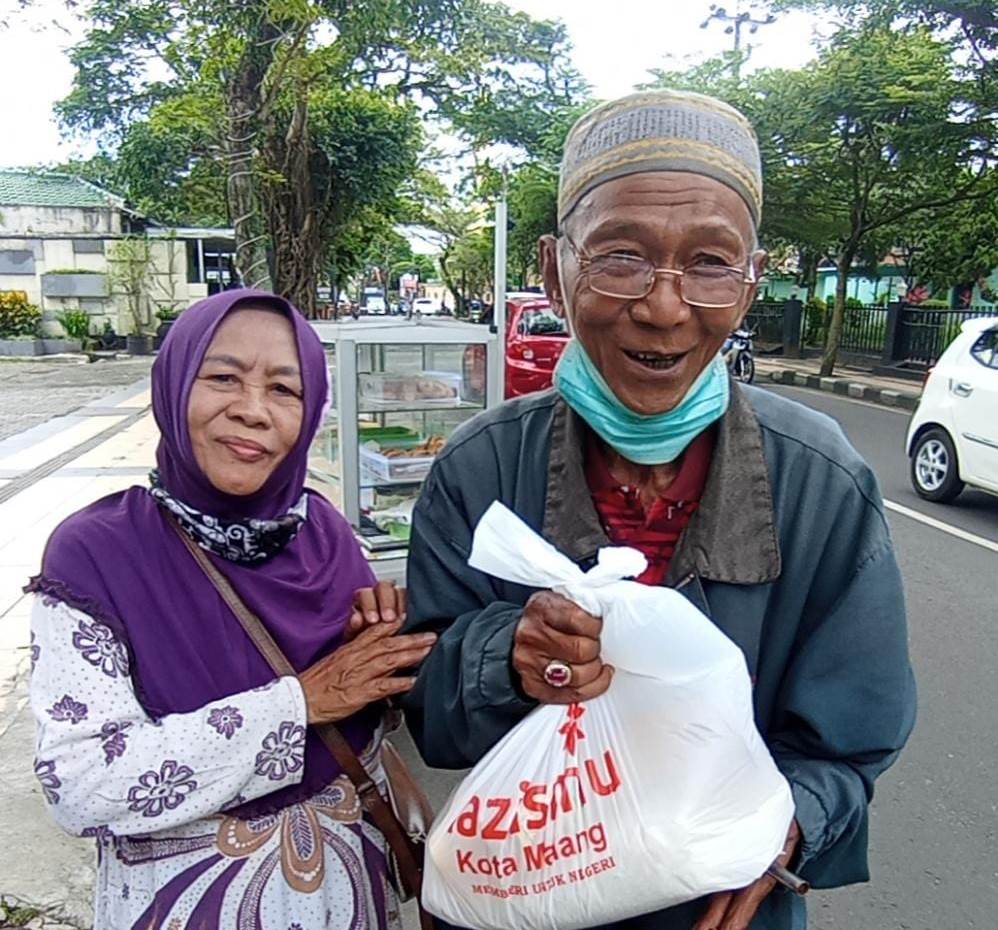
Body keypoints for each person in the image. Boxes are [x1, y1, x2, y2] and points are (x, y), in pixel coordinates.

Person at [402, 90, 916, 930]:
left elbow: (849, 745)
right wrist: (508, 655)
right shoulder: (479, 468)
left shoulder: (820, 483)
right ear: (553, 271)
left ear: (751, 283)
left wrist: (784, 826)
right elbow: (428, 709)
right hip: (531, 901)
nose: (665, 308)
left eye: (710, 263)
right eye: (620, 257)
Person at [27, 289, 435, 929]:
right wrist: (299, 703)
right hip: (188, 906)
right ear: (173, 385)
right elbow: (79, 785)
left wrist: (382, 650)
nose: (252, 410)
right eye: (222, 378)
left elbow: (368, 725)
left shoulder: (325, 534)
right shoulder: (97, 554)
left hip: (347, 899)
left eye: (284, 389)